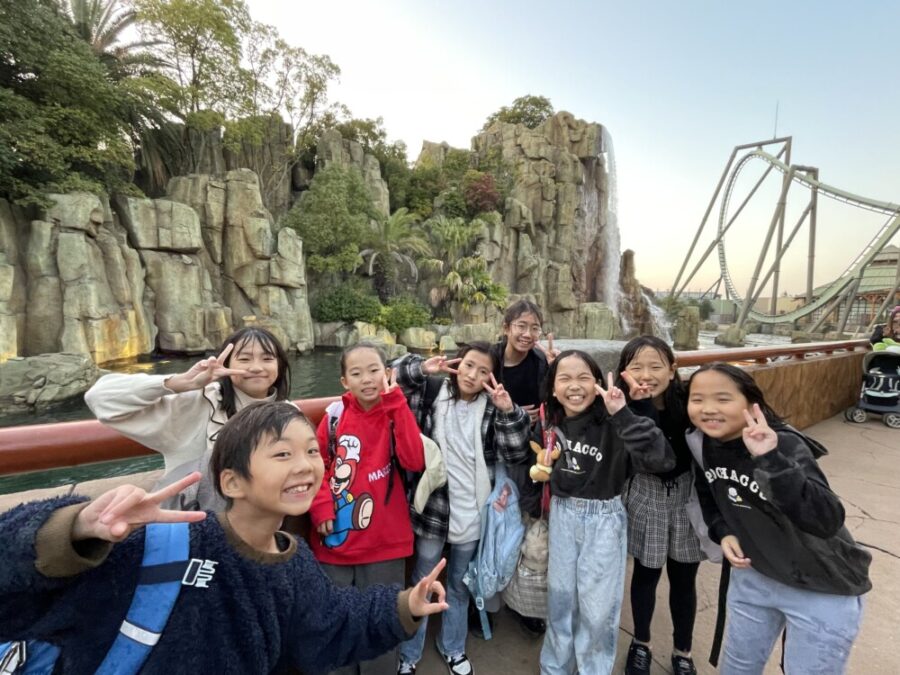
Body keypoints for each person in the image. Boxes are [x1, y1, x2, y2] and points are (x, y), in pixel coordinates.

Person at [0, 401, 449, 673]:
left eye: (312, 451)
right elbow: (16, 586)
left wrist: (403, 606)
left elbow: (329, 623)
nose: (305, 465)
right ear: (232, 482)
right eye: (282, 454)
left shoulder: (291, 562)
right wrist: (76, 529)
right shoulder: (159, 547)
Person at [687, 363, 871, 674]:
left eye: (722, 399)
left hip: (821, 584)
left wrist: (769, 458)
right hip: (754, 575)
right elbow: (709, 492)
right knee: (737, 667)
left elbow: (826, 519)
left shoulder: (781, 443)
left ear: (751, 405)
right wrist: (724, 531)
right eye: (697, 399)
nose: (708, 409)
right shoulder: (705, 443)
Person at [393, 343, 531, 675]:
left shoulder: (493, 408)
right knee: (423, 580)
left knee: (459, 583)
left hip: (473, 511)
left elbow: (515, 453)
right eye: (468, 365)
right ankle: (409, 653)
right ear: (457, 364)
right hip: (434, 507)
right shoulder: (432, 393)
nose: (472, 375)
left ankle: (453, 647)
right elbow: (392, 376)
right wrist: (422, 368)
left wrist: (509, 411)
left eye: (483, 371)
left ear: (492, 377)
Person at [537, 350, 675, 675]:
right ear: (553, 388)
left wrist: (623, 413)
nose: (575, 386)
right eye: (565, 378)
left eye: (583, 377)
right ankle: (555, 668)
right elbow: (538, 466)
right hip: (562, 515)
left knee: (597, 608)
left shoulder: (614, 423)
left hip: (604, 518)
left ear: (598, 383)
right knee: (560, 601)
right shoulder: (549, 423)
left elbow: (661, 460)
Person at [309, 343, 426, 675]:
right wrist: (321, 507)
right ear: (345, 381)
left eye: (374, 370)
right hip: (335, 541)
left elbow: (414, 460)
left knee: (382, 623)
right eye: (357, 373)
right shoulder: (334, 418)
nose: (367, 379)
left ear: (387, 373)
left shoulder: (396, 411)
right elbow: (315, 467)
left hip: (385, 542)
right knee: (335, 622)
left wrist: (396, 404)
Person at [85, 326, 292, 511]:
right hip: (193, 519)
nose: (256, 367)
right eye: (245, 359)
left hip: (263, 525)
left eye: (267, 359)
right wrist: (181, 382)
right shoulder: (198, 403)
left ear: (280, 365)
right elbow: (100, 398)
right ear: (226, 364)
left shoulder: (289, 413)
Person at [616, 337, 703, 675]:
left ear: (672, 370)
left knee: (684, 578)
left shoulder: (691, 402)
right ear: (624, 371)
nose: (646, 375)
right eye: (636, 367)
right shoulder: (621, 406)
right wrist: (639, 407)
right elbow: (650, 456)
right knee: (646, 574)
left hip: (686, 495)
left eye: (655, 366)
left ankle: (683, 651)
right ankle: (641, 643)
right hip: (646, 492)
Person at [488, 299, 560, 637]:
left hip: (528, 456)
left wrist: (557, 371)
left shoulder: (541, 362)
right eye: (521, 326)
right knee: (493, 522)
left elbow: (554, 403)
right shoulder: (490, 358)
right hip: (490, 451)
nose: (528, 334)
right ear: (506, 328)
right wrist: (513, 412)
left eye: (534, 327)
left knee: (525, 524)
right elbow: (469, 388)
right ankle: (485, 599)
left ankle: (522, 603)